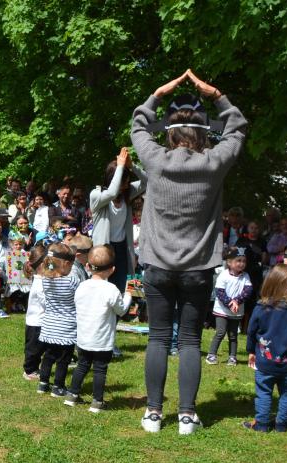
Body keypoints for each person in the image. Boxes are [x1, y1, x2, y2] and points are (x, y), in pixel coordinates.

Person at [130, 69, 248, 434]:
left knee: (159, 337)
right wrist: (215, 94)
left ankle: (152, 413)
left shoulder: (155, 159)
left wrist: (157, 93)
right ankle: (185, 415)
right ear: (201, 135)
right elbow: (237, 127)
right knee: (190, 340)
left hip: (158, 266)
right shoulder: (213, 163)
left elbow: (138, 124)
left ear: (170, 135)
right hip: (198, 267)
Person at [243, 264, 287, 432]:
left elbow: (251, 332)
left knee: (264, 393)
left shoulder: (261, 308)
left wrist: (251, 351)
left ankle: (262, 424)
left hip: (265, 362)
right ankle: (281, 425)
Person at [63, 245, 132, 412]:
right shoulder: (111, 289)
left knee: (82, 365)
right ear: (112, 270)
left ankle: (72, 395)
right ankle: (97, 402)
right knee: (100, 369)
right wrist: (128, 296)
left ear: (87, 266)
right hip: (102, 340)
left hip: (83, 337)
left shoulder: (82, 286)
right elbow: (121, 310)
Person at [90, 146, 147, 297]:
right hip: (103, 250)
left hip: (121, 249)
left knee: (119, 288)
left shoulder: (127, 194)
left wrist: (131, 166)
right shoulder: (97, 196)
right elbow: (112, 192)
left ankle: (116, 317)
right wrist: (120, 166)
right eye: (124, 181)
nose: (127, 185)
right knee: (102, 289)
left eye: (128, 181)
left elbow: (148, 181)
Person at [35, 243, 80, 397]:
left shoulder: (45, 280)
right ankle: (58, 386)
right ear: (66, 264)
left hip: (49, 325)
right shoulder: (72, 281)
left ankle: (43, 383)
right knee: (63, 359)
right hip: (66, 326)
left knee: (48, 356)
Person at [206, 247, 253, 366]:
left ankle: (232, 356)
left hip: (236, 312)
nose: (241, 264)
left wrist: (236, 301)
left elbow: (248, 291)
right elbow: (219, 292)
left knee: (233, 335)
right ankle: (211, 354)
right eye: (238, 260)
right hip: (222, 310)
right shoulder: (224, 275)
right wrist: (230, 303)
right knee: (220, 332)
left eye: (243, 261)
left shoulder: (245, 276)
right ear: (229, 262)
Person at [22, 244, 48, 380]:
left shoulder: (41, 279)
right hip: (36, 321)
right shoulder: (40, 283)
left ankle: (34, 368)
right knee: (34, 349)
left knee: (39, 347)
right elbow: (45, 302)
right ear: (43, 264)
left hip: (38, 320)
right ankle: (29, 370)